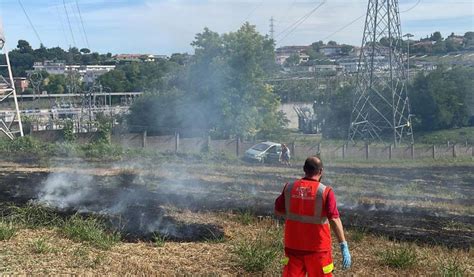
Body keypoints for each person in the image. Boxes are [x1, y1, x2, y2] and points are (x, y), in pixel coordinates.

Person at [274, 156, 351, 276]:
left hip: (293, 246)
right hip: (318, 249)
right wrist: (343, 245)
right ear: (321, 171)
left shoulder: (289, 187)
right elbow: (334, 219)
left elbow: (278, 210)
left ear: (304, 169)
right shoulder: (325, 192)